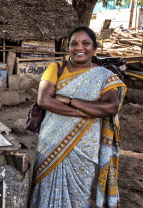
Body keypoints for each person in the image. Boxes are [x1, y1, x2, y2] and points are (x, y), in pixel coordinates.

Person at [29, 26, 127, 207]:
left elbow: (110, 107)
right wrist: (87, 112)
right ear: (68, 47)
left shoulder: (104, 76)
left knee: (78, 195)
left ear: (94, 47)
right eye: (73, 43)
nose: (79, 47)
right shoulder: (55, 68)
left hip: (85, 147)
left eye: (85, 43)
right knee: (46, 189)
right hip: (51, 142)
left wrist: (69, 100)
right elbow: (44, 100)